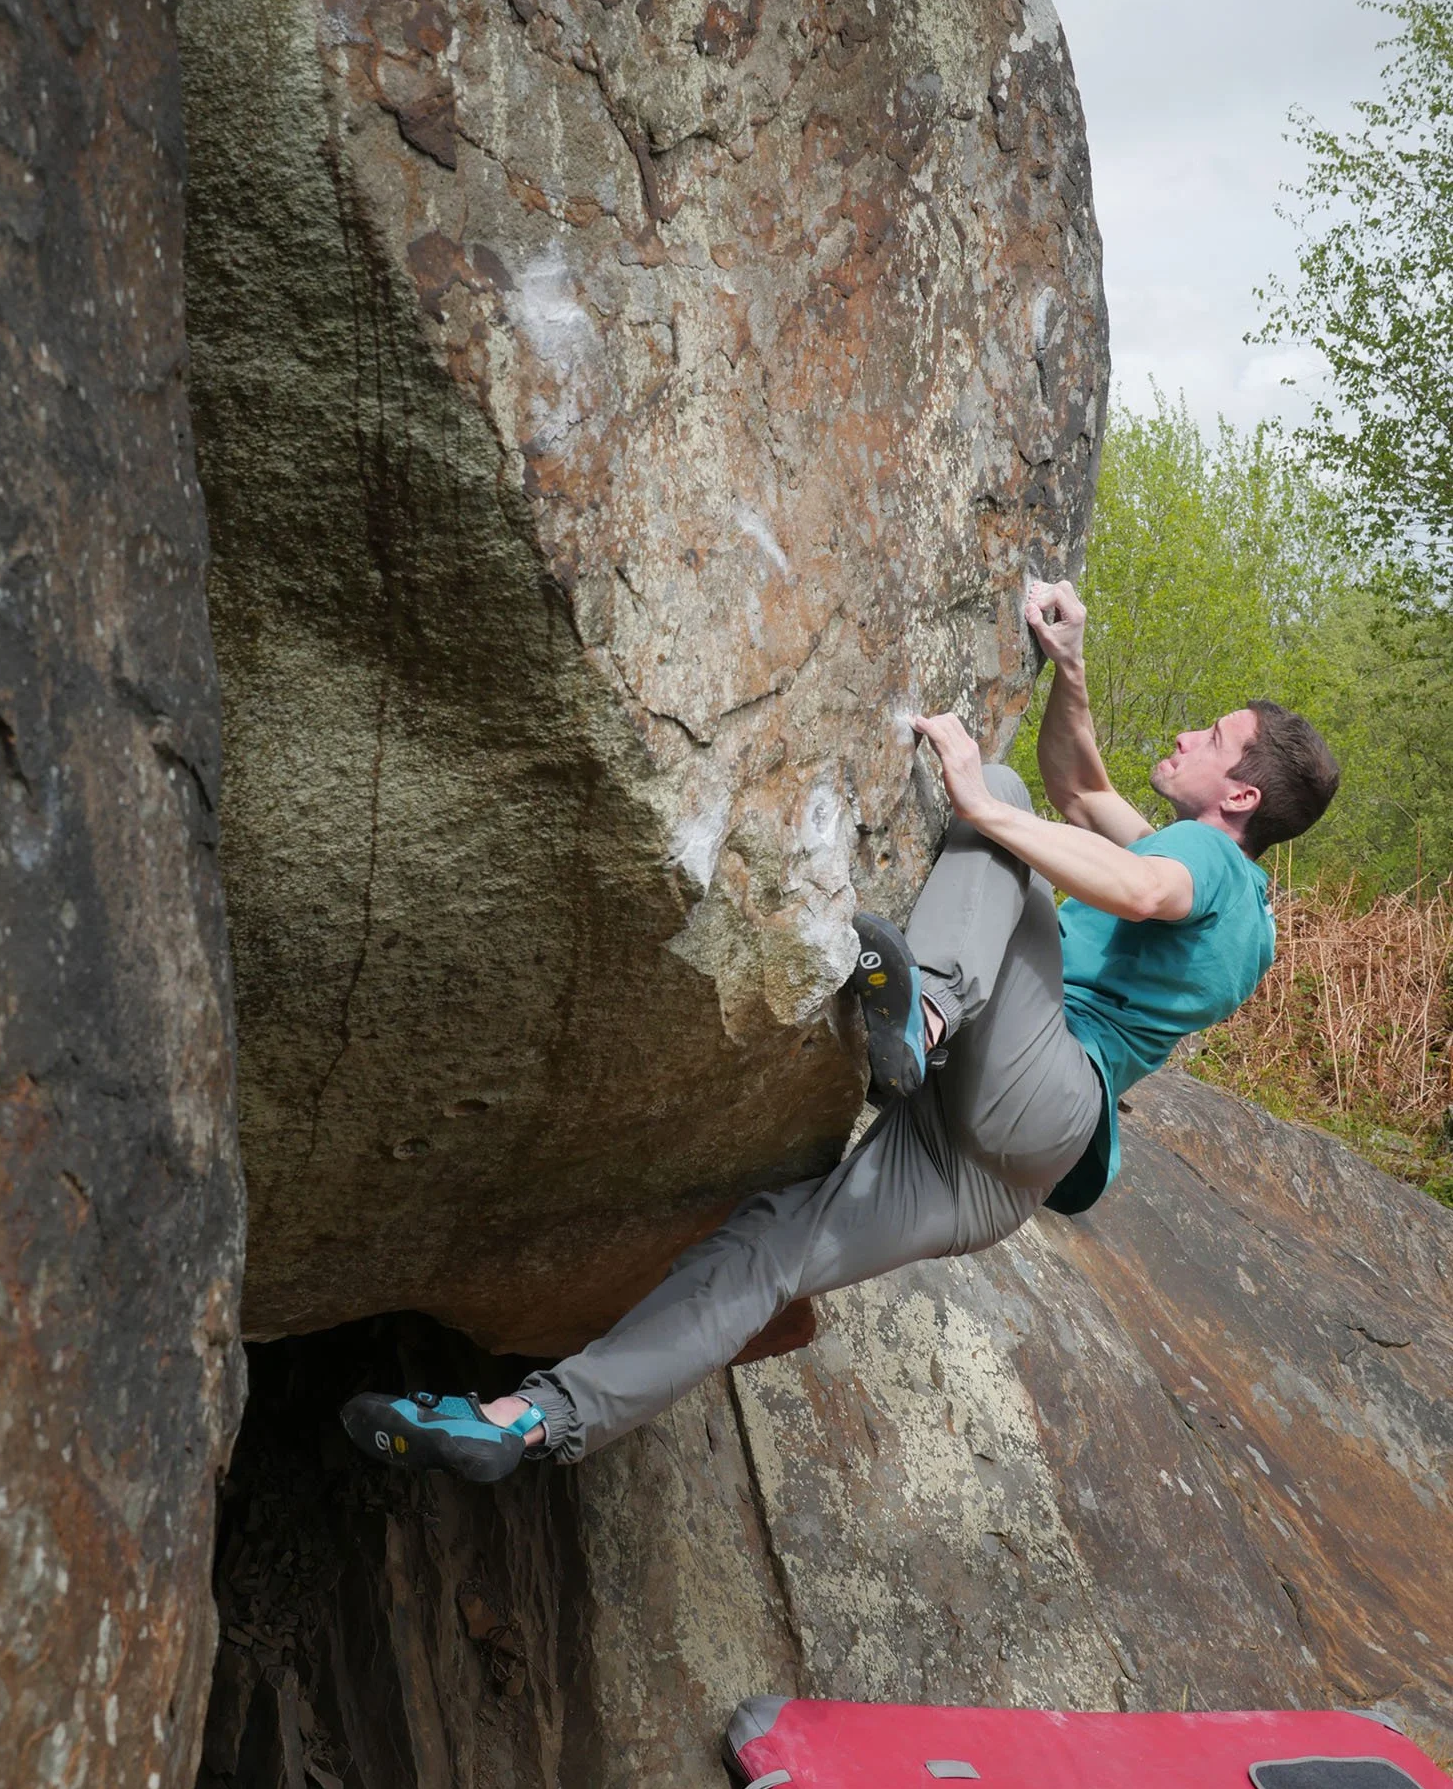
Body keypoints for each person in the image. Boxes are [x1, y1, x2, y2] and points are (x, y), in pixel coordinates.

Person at [340, 580, 1340, 1483]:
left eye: (1213, 736)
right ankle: (529, 1420)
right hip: (1001, 1173)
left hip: (1036, 1080)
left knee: (1010, 805)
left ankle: (930, 1006)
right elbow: (1086, 787)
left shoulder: (1197, 866)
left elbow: (1142, 879)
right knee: (767, 1247)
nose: (1190, 735)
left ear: (1240, 794)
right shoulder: (1250, 913)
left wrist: (974, 801)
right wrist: (1067, 669)